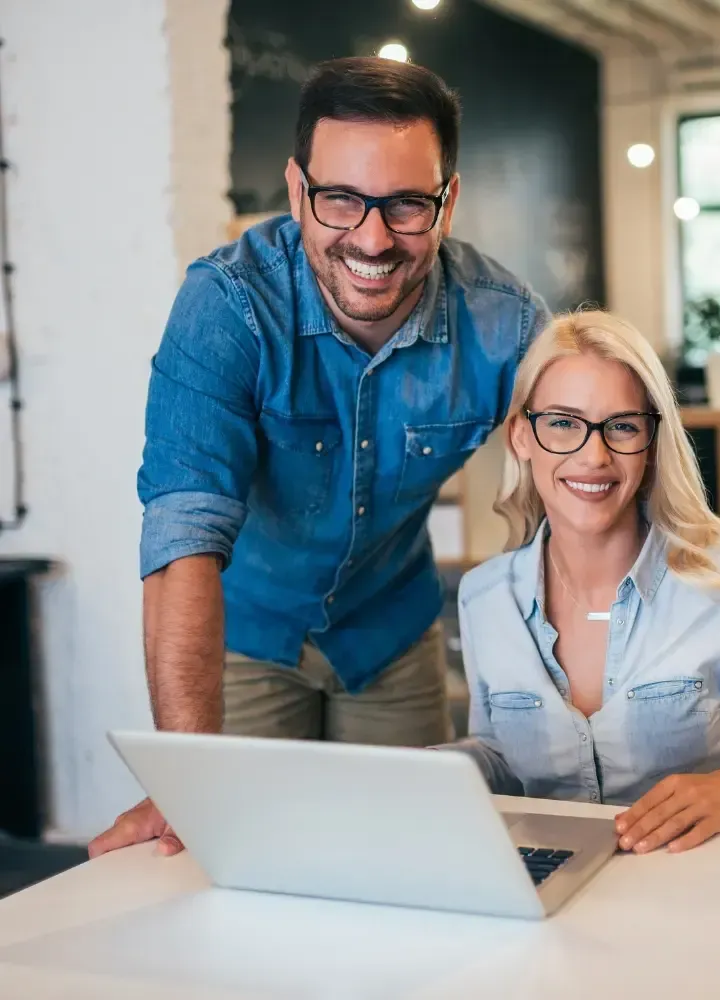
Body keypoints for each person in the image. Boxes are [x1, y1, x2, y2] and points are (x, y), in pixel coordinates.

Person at [88, 57, 550, 859]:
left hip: (392, 634)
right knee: (236, 864)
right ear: (297, 190)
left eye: (407, 204)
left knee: (411, 865)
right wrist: (188, 777)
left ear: (448, 201)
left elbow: (601, 475)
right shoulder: (228, 305)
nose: (372, 239)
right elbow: (182, 536)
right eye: (340, 199)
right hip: (244, 637)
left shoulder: (504, 323)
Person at [444, 310, 720, 854]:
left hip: (696, 879)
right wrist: (433, 769)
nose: (594, 455)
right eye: (563, 423)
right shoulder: (484, 598)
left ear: (651, 442)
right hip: (553, 881)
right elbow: (502, 760)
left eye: (622, 426)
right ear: (521, 437)